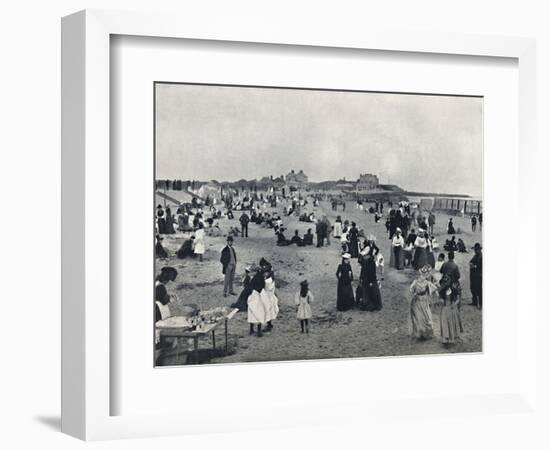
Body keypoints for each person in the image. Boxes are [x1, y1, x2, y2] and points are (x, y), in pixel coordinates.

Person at [408, 265, 438, 340]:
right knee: (426, 316)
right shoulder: (427, 283)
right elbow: (434, 289)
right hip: (424, 300)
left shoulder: (415, 282)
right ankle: (426, 334)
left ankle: (418, 333)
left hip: (416, 300)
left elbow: (411, 290)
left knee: (417, 317)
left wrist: (416, 292)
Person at [247, 268, 266, 337]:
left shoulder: (253, 279)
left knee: (252, 313)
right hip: (259, 296)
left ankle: (251, 329)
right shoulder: (261, 279)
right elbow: (263, 287)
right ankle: (259, 330)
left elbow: (249, 288)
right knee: (259, 313)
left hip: (253, 296)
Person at [469, 243, 483, 309]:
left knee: (479, 290)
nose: (475, 251)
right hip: (473, 275)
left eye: (476, 249)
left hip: (478, 276)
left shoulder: (481, 257)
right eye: (475, 249)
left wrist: (474, 266)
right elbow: (471, 261)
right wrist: (471, 264)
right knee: (473, 289)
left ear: (479, 250)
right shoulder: (475, 256)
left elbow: (481, 266)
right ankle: (474, 302)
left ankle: (481, 304)